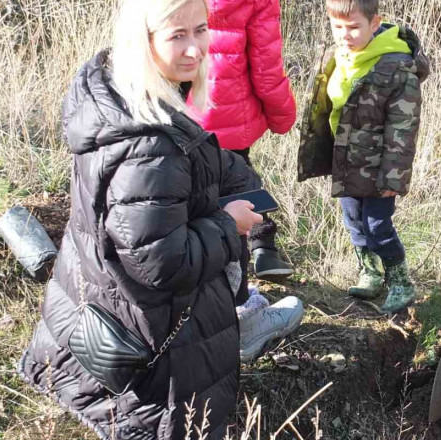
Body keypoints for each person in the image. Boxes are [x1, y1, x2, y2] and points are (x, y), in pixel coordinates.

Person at [18, 0, 301, 438]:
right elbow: (161, 263)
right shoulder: (149, 145)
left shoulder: (120, 92)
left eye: (201, 29)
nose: (196, 49)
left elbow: (177, 173)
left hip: (104, 302)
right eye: (177, 35)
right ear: (143, 40)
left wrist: (231, 173)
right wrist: (230, 225)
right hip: (151, 342)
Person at [297, 0, 429, 313]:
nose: (345, 34)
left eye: (354, 26)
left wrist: (393, 177)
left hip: (379, 166)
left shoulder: (396, 66)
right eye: (338, 26)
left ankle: (400, 281)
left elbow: (403, 129)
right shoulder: (337, 57)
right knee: (354, 220)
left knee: (378, 225)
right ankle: (369, 272)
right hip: (346, 161)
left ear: (374, 23)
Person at [189, 0, 297, 281]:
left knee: (193, 193)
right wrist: (282, 117)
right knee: (241, 182)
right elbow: (267, 69)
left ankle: (215, 265)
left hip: (185, 113)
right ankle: (261, 251)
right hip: (232, 116)